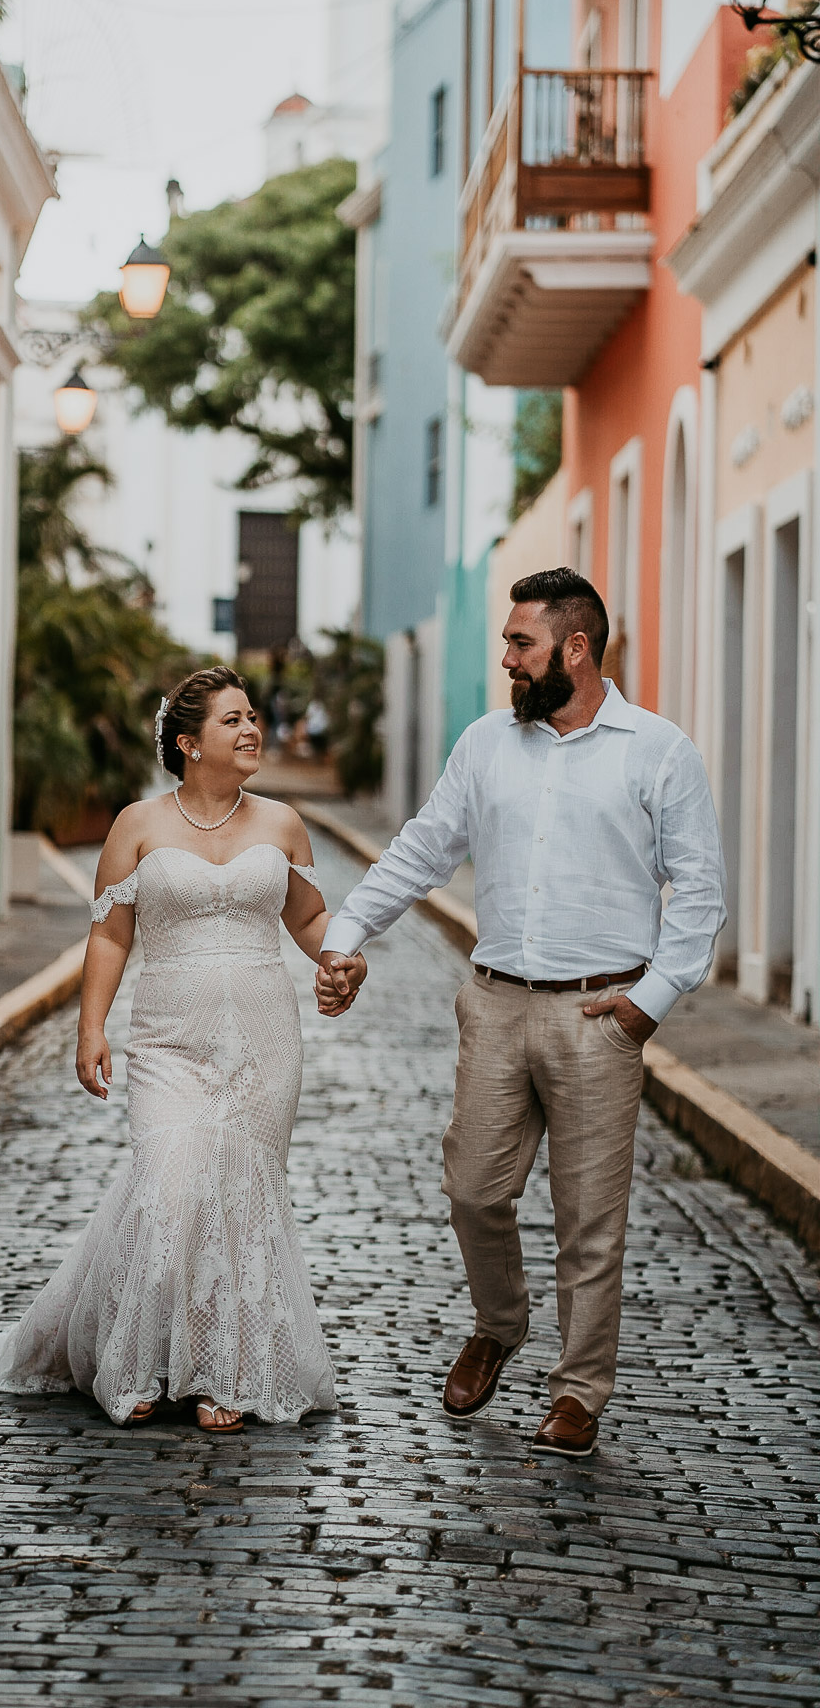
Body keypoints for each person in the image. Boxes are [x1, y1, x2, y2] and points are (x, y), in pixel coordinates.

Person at [316, 569, 726, 1457]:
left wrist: (647, 1006)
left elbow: (698, 893)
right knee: (473, 1189)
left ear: (575, 649)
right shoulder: (486, 745)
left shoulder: (659, 751)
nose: (505, 658)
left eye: (520, 643)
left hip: (600, 1016)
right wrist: (347, 933)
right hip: (496, 1004)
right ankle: (500, 1323)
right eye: (507, 642)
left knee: (589, 1221)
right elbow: (423, 848)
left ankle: (579, 1393)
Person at [0, 665, 339, 1432]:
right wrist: (90, 1027)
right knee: (168, 1187)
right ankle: (132, 1360)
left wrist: (344, 959)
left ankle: (221, 1376)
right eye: (232, 720)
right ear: (188, 743)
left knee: (238, 1201)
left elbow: (308, 920)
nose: (251, 730)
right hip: (168, 1040)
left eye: (251, 718)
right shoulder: (137, 824)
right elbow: (109, 934)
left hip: (263, 1043)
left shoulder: (282, 823)